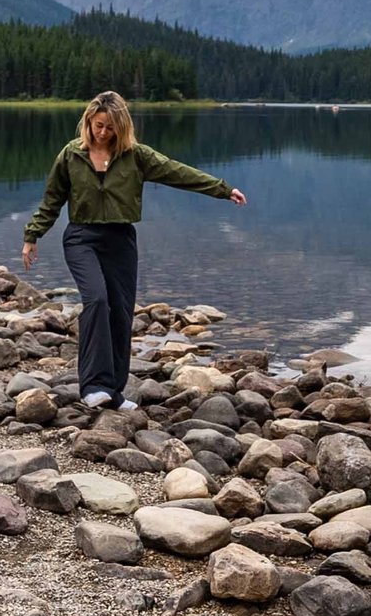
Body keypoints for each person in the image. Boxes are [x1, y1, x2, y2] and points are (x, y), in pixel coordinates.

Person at [20, 91, 245, 411]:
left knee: (121, 313)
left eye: (110, 128)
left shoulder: (135, 156)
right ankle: (93, 385)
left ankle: (114, 390)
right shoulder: (71, 155)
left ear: (121, 128)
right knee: (97, 300)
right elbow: (52, 200)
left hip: (121, 240)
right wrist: (32, 236)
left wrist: (223, 190)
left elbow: (177, 172)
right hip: (81, 238)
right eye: (98, 125)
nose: (103, 133)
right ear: (88, 122)